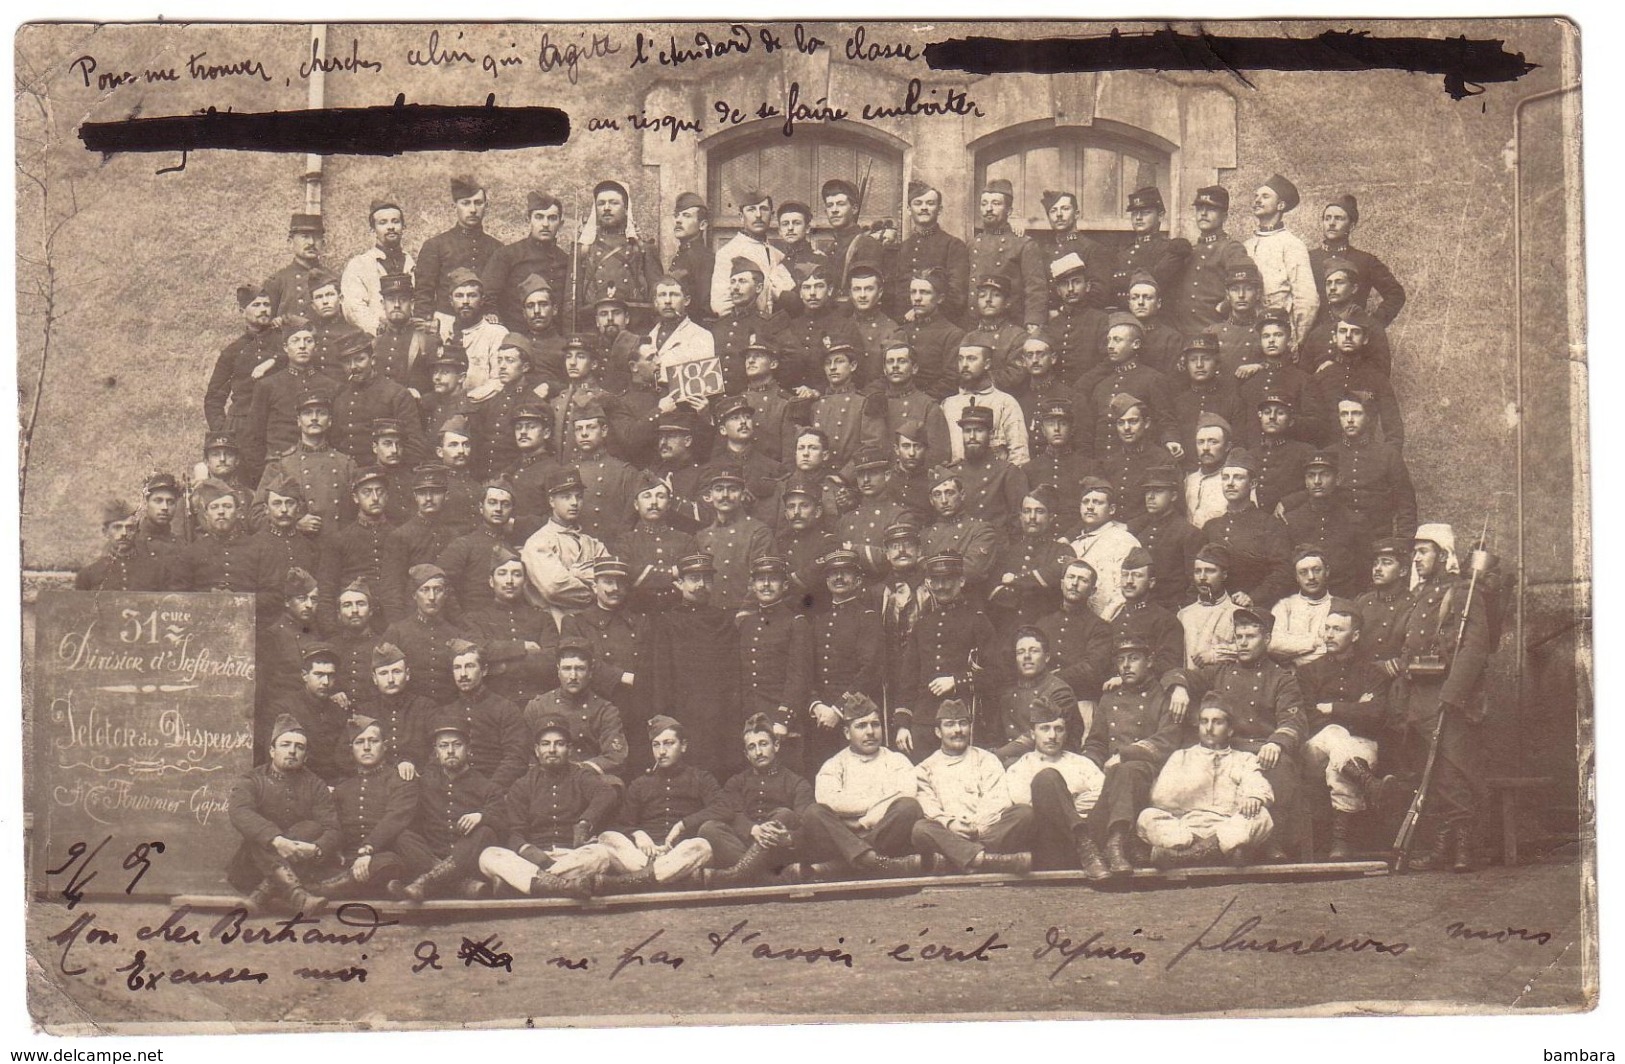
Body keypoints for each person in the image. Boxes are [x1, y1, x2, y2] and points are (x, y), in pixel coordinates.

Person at [1389, 524, 1496, 872]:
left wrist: (1453, 693)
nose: (1416, 558)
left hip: (1447, 696)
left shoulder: (1464, 592)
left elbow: (1475, 648)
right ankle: (1442, 845)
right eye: (1415, 551)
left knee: (1454, 772)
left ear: (1442, 554)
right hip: (1418, 696)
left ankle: (1466, 846)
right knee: (1428, 774)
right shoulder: (1421, 595)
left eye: (1424, 551)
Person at [1163, 607, 1307, 860]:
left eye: (1250, 637)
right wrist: (1179, 688)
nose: (1242, 643)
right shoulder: (1222, 671)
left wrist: (1277, 743)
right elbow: (1181, 674)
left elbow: (1293, 720)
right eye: (1238, 637)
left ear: (1267, 640)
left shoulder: (1281, 678)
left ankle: (1272, 842)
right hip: (1224, 746)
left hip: (1261, 748)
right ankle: (1205, 839)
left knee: (1281, 764)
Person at [472, 713, 614, 899]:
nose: (552, 749)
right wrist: (527, 850)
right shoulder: (523, 784)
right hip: (533, 860)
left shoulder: (580, 776)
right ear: (537, 750)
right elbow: (514, 831)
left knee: (600, 853)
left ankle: (528, 885)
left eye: (559, 744)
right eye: (546, 744)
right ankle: (563, 886)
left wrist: (584, 823)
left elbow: (606, 793)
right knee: (489, 855)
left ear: (569, 749)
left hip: (572, 857)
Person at [1298, 600, 1396, 860]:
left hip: (1362, 743)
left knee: (1338, 763)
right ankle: (1367, 783)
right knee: (1334, 733)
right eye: (1327, 628)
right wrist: (1354, 708)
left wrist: (1331, 707)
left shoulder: (1372, 673)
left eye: (1338, 629)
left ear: (1355, 635)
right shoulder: (1308, 672)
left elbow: (1377, 715)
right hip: (1316, 747)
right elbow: (1309, 716)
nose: (1329, 635)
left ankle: (1340, 843)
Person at [1082, 633, 1187, 874]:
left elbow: (1168, 739)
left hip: (1149, 771)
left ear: (1149, 661)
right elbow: (1096, 743)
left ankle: (1116, 843)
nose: (1126, 666)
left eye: (1134, 658)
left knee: (1127, 769)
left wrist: (1126, 754)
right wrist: (1088, 764)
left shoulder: (1163, 696)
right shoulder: (1109, 698)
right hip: (1110, 774)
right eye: (1121, 660)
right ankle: (1115, 845)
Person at [794, 694, 926, 879]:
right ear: (847, 733)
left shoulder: (897, 761)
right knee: (814, 813)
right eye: (861, 726)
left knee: (908, 806)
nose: (870, 732)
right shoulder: (834, 764)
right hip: (843, 835)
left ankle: (845, 866)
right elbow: (829, 800)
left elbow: (906, 794)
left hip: (881, 834)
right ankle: (876, 863)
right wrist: (879, 802)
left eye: (875, 724)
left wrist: (861, 822)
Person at [584, 715, 720, 892]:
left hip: (680, 853)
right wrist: (638, 833)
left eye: (669, 743)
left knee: (702, 846)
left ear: (684, 746)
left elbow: (721, 807)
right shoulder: (641, 784)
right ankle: (663, 877)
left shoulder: (701, 778)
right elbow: (622, 823)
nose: (662, 751)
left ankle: (632, 881)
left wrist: (682, 825)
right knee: (607, 837)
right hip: (644, 857)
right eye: (656, 745)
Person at [1137, 694, 1275, 867]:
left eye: (1217, 722)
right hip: (1185, 828)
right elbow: (1161, 799)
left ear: (1230, 730)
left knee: (1261, 815)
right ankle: (1218, 853)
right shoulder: (1182, 756)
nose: (1209, 728)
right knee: (1148, 816)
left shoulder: (1243, 759)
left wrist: (1254, 798)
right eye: (1204, 721)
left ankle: (1187, 856)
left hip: (1227, 826)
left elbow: (1257, 784)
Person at [226, 713, 338, 915]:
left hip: (301, 864)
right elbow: (239, 811)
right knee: (258, 833)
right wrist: (276, 840)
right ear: (272, 750)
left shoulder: (316, 784)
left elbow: (333, 828)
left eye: (299, 747)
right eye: (285, 744)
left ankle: (261, 896)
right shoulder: (252, 780)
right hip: (252, 869)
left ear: (306, 756)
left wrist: (316, 849)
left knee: (311, 828)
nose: (292, 751)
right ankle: (297, 896)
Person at [389, 715, 507, 901]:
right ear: (436, 751)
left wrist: (482, 816)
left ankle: (426, 883)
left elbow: (502, 821)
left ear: (468, 749)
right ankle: (463, 885)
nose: (450, 751)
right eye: (444, 746)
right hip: (431, 855)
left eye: (457, 745)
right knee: (403, 836)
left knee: (485, 831)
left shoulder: (486, 785)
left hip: (468, 858)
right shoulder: (425, 782)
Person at [909, 698, 1034, 873]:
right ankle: (987, 861)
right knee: (920, 829)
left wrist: (977, 828)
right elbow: (929, 807)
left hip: (985, 831)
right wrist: (951, 824)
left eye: (963, 724)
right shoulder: (924, 769)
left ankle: (958, 860)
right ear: (938, 732)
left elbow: (998, 798)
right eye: (950, 725)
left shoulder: (986, 759)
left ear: (970, 727)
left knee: (1023, 813)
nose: (958, 730)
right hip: (948, 833)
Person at [649, 553, 744, 776]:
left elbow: (734, 672)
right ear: (679, 583)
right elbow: (661, 675)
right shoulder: (667, 622)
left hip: (721, 714)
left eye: (707, 579)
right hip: (684, 711)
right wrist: (664, 717)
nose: (701, 585)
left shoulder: (724, 620)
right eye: (694, 578)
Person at [695, 712, 817, 885]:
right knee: (708, 828)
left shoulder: (797, 783)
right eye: (752, 747)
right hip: (745, 846)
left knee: (784, 815)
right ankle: (774, 880)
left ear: (776, 745)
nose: (758, 752)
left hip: (780, 853)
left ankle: (734, 875)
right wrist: (753, 829)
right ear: (746, 754)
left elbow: (807, 827)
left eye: (763, 744)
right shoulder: (737, 782)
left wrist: (787, 837)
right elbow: (730, 812)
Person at [315, 715, 418, 899]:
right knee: (318, 867)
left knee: (389, 864)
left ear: (384, 746)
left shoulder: (400, 780)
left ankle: (330, 890)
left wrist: (368, 850)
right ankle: (379, 889)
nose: (367, 747)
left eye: (373, 741)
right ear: (351, 749)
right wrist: (336, 849)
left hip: (385, 854)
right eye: (359, 742)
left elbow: (395, 818)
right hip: (347, 859)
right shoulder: (343, 787)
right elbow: (333, 825)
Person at [804, 549, 885, 769]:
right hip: (820, 715)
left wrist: (838, 710)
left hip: (854, 715)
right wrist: (816, 704)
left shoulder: (867, 618)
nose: (839, 578)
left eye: (845, 573)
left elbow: (870, 670)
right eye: (833, 573)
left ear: (858, 581)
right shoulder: (819, 620)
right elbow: (806, 668)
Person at [734, 558, 814, 769]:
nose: (766, 585)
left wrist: (784, 718)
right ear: (752, 586)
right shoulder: (747, 624)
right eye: (761, 580)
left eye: (773, 580)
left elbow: (799, 676)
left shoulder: (796, 623)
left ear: (785, 586)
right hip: (750, 719)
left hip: (781, 721)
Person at [242, 317, 339, 481]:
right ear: (285, 347)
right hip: (279, 469)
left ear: (315, 346)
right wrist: (264, 475)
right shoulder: (268, 386)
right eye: (296, 341)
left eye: (308, 341)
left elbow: (337, 434)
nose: (302, 346)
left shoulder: (330, 386)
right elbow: (253, 436)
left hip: (321, 469)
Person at [463, 544, 559, 710]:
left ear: (525, 581)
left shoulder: (542, 618)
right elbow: (476, 653)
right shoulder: (476, 619)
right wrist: (522, 647)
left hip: (538, 704)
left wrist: (500, 666)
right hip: (493, 706)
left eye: (516, 574)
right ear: (491, 581)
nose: (509, 581)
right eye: (502, 573)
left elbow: (552, 661)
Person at [1200, 448, 1294, 610]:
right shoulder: (1211, 527)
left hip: (1254, 608)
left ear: (1253, 483)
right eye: (1225, 478)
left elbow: (1283, 573)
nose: (1230, 483)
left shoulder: (1270, 525)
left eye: (1238, 478)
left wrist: (1253, 597)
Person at [256, 386, 356, 534]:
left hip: (338, 550)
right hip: (298, 549)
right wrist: (293, 524)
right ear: (298, 421)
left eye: (321, 413)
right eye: (307, 413)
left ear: (329, 421)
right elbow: (256, 515)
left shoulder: (346, 464)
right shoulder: (281, 464)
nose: (314, 418)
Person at [1330, 391, 1419, 554]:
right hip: (1338, 544)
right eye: (1344, 414)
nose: (1349, 419)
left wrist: (1402, 544)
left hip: (1378, 544)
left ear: (1369, 417)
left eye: (1356, 413)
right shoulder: (1330, 454)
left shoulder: (1388, 455)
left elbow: (1405, 504)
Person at [438, 639, 530, 791]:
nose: (463, 674)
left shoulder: (505, 709)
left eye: (469, 666)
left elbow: (516, 759)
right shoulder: (446, 712)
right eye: (457, 668)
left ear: (484, 670)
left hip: (495, 787)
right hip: (454, 790)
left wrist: (490, 788)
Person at [1307, 309, 1404, 450]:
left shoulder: (1377, 379)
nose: (1348, 336)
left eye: (1355, 332)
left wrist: (1386, 460)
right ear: (1334, 337)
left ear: (1365, 339)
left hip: (1366, 458)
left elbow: (1393, 429)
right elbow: (1310, 427)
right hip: (1327, 461)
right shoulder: (1320, 378)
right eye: (1343, 331)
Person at [330, 331, 426, 469]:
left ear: (373, 359)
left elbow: (414, 446)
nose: (353, 367)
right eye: (347, 362)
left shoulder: (397, 394)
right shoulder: (340, 396)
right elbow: (335, 442)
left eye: (359, 359)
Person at [985, 626, 1082, 761]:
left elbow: (1040, 739)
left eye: (1034, 651)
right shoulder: (1008, 693)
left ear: (1047, 657)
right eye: (1020, 652)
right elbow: (995, 737)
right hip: (1010, 762)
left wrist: (995, 757)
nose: (1026, 657)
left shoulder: (1059, 691)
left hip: (1051, 761)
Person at [379, 564, 470, 709]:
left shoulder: (457, 634)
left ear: (446, 594)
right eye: (425, 590)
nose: (432, 597)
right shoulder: (397, 631)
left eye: (438, 590)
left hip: (448, 710)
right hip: (409, 711)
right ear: (414, 595)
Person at [414, 176, 503, 321]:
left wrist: (492, 313)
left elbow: (498, 292)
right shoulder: (435, 246)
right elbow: (423, 294)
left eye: (478, 203)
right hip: (445, 322)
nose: (473, 209)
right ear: (454, 207)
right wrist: (426, 323)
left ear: (486, 206)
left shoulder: (497, 248)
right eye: (466, 203)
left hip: (484, 323)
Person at [1310, 194, 1406, 327]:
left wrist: (1373, 324)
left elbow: (1396, 294)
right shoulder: (1308, 258)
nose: (1331, 223)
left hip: (1354, 337)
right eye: (1327, 218)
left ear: (1352, 225)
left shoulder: (1365, 261)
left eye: (1339, 218)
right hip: (1314, 341)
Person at [482, 191, 572, 332]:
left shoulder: (565, 260)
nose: (545, 224)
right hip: (515, 336)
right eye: (539, 217)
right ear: (528, 220)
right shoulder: (507, 255)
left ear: (561, 224)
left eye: (552, 218)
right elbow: (488, 296)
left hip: (554, 340)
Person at [1244, 174, 1318, 345]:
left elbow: (1307, 299)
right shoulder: (1246, 245)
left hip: (1279, 334)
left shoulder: (1292, 244)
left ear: (1281, 205)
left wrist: (1297, 340)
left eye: (1265, 196)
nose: (1257, 200)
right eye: (1256, 196)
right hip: (1250, 332)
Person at [1282, 450, 1366, 597]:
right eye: (1311, 475)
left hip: (1345, 598)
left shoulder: (1355, 521)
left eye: (1324, 474)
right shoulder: (1291, 521)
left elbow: (1364, 569)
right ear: (1305, 481)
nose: (1317, 481)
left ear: (1338, 479)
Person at [574, 178, 662, 319]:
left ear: (626, 209)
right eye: (601, 203)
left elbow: (658, 296)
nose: (606, 208)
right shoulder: (584, 249)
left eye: (614, 203)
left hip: (635, 325)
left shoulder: (643, 248)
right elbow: (571, 301)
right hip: (593, 325)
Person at [1175, 185, 1256, 334]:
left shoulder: (1230, 248)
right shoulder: (1191, 250)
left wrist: (1223, 307)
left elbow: (1249, 282)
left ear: (1224, 216)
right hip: (1184, 332)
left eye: (1211, 209)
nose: (1203, 214)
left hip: (1214, 329)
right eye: (1199, 209)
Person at [969, 178, 1047, 330]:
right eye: (984, 204)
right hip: (976, 326)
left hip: (1011, 326)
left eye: (996, 204)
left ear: (1009, 211)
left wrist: (1033, 321)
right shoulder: (973, 244)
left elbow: (1036, 289)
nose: (989, 209)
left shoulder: (1023, 244)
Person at [206, 284, 283, 435]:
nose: (263, 309)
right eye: (256, 305)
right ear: (242, 311)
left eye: (266, 304)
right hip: (243, 428)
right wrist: (223, 432)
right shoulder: (233, 351)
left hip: (280, 426)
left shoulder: (284, 343)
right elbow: (214, 399)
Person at [710, 192, 797, 321]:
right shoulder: (728, 252)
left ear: (772, 216)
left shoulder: (778, 255)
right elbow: (721, 305)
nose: (758, 215)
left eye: (764, 209)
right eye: (751, 209)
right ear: (741, 217)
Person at [1127, 465, 1203, 610]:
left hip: (1172, 609)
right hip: (1140, 608)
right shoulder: (1139, 529)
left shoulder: (1189, 533)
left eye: (1158, 491)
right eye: (1148, 491)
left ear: (1174, 496)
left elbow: (1195, 584)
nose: (1150, 496)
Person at [1300, 258, 1393, 376]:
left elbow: (1381, 374)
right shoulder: (1318, 331)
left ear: (1354, 288)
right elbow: (1303, 375)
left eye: (1339, 282)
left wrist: (1337, 367)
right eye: (1329, 283)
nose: (1332, 288)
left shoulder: (1372, 327)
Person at [944, 404, 1030, 531]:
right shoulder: (952, 472)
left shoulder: (1008, 472)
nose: (972, 437)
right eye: (967, 431)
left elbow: (1018, 520)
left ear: (991, 434)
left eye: (979, 431)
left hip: (997, 544)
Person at [944, 346, 1030, 467]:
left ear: (987, 364)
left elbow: (1019, 454)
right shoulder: (948, 405)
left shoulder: (1005, 402)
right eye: (960, 359)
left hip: (995, 481)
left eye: (971, 359)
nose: (964, 365)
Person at [1069, 477, 1141, 619]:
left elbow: (1125, 590)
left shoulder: (1123, 540)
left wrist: (1103, 623)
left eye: (1097, 502)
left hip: (1111, 622)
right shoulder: (1074, 545)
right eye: (1085, 502)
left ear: (1112, 509)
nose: (1090, 507)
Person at [341, 198, 414, 336]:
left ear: (403, 227)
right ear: (372, 230)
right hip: (375, 339)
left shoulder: (410, 262)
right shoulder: (359, 265)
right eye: (383, 223)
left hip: (410, 337)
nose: (390, 227)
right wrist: (380, 329)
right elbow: (354, 309)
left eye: (395, 221)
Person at [919, 470, 1000, 592]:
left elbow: (974, 570)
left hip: (966, 601)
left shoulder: (981, 530)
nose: (944, 500)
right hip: (931, 600)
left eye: (950, 493)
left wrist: (926, 564)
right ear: (931, 500)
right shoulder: (924, 534)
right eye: (937, 494)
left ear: (962, 495)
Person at [1111, 186, 1191, 307]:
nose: (1138, 217)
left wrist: (1122, 278)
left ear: (1160, 215)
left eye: (1146, 213)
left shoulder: (1171, 249)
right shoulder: (1124, 250)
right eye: (1134, 213)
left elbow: (1158, 278)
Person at [1032, 190, 1114, 307]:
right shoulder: (1043, 250)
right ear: (1049, 217)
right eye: (1053, 210)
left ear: (1076, 214)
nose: (1059, 214)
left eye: (1065, 209)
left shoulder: (1092, 249)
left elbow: (1098, 295)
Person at [365, 641, 435, 777]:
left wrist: (414, 764)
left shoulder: (425, 707)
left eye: (396, 672)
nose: (390, 679)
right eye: (383, 673)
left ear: (407, 674)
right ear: (374, 678)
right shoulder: (365, 711)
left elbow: (437, 749)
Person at [1172, 336, 1246, 462]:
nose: (1199, 365)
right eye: (1193, 360)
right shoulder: (1178, 403)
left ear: (1217, 364)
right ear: (1186, 365)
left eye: (1206, 359)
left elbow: (1239, 445)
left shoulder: (1232, 401)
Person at [1111, 546, 1184, 672]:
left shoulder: (1165, 620)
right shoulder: (1115, 617)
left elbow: (1168, 664)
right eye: (1125, 575)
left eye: (1137, 575)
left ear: (1151, 582)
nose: (1129, 581)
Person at [436, 269, 509, 396]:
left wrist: (468, 401)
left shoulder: (496, 334)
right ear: (451, 301)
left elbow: (499, 381)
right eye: (459, 296)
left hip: (482, 404)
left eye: (472, 295)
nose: (465, 301)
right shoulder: (441, 331)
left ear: (482, 300)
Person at [77, 499, 168, 591]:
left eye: (129, 528)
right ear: (105, 532)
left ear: (137, 532)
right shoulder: (88, 575)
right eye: (117, 527)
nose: (124, 533)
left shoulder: (156, 571)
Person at [1047, 254, 1109, 387]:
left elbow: (1108, 361)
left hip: (1090, 390)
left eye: (1076, 282)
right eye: (1064, 284)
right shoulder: (1053, 324)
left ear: (1087, 286)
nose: (1070, 289)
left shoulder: (1101, 320)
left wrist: (1084, 383)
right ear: (1058, 291)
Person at [1268, 546, 1335, 667]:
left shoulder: (1337, 606)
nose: (1311, 577)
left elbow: (1335, 650)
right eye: (1303, 572)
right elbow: (1272, 644)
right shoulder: (1285, 606)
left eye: (1316, 570)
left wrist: (1292, 654)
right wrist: (1315, 642)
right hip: (1291, 677)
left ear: (1327, 571)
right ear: (1296, 577)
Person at [819, 177, 885, 298]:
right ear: (825, 212)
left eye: (840, 204)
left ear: (854, 209)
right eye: (830, 205)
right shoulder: (831, 247)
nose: (834, 210)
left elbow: (869, 293)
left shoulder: (866, 244)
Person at [372, 273, 438, 394]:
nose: (397, 305)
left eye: (402, 300)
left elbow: (438, 391)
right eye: (391, 300)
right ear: (383, 304)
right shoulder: (374, 344)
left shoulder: (427, 343)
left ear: (412, 304)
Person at [1178, 543, 1241, 667]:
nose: (1202, 577)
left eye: (1210, 571)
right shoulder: (1184, 615)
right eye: (1197, 571)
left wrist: (1215, 656)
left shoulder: (1237, 613)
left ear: (1224, 575)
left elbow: (1250, 650)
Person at [962, 274, 1029, 391]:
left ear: (1007, 302)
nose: (988, 300)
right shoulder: (970, 338)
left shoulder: (1018, 336)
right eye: (982, 295)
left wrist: (980, 379)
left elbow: (1015, 375)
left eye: (996, 295)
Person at [1356, 537, 1415, 662]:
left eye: (1386, 563)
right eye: (1375, 563)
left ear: (1403, 571)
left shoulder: (1411, 605)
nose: (1377, 568)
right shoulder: (1363, 602)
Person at [263, 212, 326, 323]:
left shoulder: (333, 278)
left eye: (317, 237)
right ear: (290, 242)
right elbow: (265, 323)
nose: (311, 242)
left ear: (323, 243)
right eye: (305, 237)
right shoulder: (277, 281)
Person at [666, 191, 715, 320]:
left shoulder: (705, 259)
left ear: (702, 225)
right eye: (677, 215)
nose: (678, 220)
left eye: (686, 216)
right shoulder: (683, 254)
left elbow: (705, 308)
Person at [1183, 412, 1234, 531]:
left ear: (1227, 446)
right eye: (1200, 442)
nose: (1205, 448)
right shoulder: (1189, 480)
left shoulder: (1233, 480)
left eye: (1213, 442)